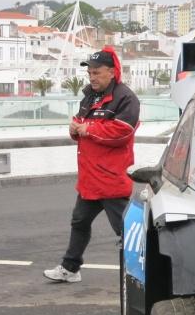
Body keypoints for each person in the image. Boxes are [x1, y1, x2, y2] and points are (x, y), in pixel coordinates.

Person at [44, 47, 139, 283]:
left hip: (110, 178)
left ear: (112, 72)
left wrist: (88, 129)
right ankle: (70, 268)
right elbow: (80, 122)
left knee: (126, 230)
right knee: (79, 221)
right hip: (90, 178)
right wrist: (75, 128)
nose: (92, 78)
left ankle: (143, 272)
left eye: (97, 73)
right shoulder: (90, 96)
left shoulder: (126, 98)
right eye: (90, 74)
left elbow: (123, 132)